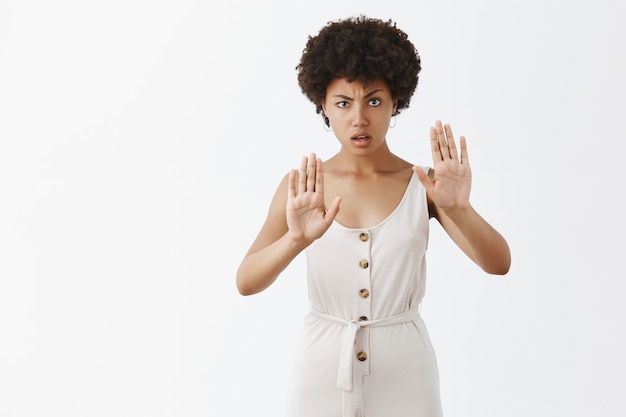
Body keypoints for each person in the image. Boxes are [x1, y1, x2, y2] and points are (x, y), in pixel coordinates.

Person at [236, 15, 511, 417]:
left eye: (374, 100)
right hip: (322, 370)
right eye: (343, 103)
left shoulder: (426, 185)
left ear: (396, 101)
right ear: (324, 107)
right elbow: (246, 281)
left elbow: (498, 263)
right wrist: (296, 240)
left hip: (406, 372)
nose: (359, 118)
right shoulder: (302, 187)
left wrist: (459, 209)